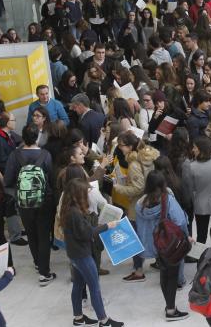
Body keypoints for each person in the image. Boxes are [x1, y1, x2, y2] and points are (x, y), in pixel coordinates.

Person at [60, 178, 124, 327]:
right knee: (94, 287)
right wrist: (107, 226)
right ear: (78, 194)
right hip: (82, 255)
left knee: (78, 285)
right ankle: (104, 321)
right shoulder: (74, 213)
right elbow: (87, 233)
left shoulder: (69, 208)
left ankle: (78, 318)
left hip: (74, 254)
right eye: (87, 192)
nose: (89, 194)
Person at [3, 123, 57, 286]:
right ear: (37, 137)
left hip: (24, 203)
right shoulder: (45, 155)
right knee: (43, 236)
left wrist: (18, 194)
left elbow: (7, 181)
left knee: (32, 234)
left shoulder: (15, 155)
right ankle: (44, 272)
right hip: (44, 201)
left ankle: (37, 263)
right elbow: (52, 180)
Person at [134, 171, 190, 321]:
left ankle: (168, 305)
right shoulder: (167, 199)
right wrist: (186, 237)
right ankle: (171, 311)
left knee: (164, 275)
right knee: (172, 277)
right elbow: (180, 221)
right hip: (171, 244)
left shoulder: (141, 204)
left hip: (156, 245)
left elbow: (141, 227)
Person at [112, 130, 159, 282]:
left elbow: (138, 188)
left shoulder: (133, 164)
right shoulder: (147, 156)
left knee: (134, 237)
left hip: (137, 204)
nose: (120, 148)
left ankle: (138, 271)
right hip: (149, 201)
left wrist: (118, 187)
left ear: (131, 146)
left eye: (122, 146)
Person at [182, 136, 211, 243]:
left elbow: (191, 187)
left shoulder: (191, 166)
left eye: (195, 147)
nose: (193, 150)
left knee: (201, 234)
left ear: (201, 149)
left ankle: (201, 257)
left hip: (200, 205)